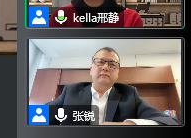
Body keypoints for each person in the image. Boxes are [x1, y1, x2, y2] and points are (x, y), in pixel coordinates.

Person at [45, 47, 179, 125]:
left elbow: (170, 122)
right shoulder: (71, 91)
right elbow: (39, 117)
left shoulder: (129, 95)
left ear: (118, 73)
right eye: (100, 62)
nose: (105, 67)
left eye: (112, 64)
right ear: (91, 69)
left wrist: (128, 125)